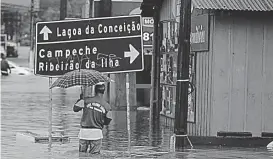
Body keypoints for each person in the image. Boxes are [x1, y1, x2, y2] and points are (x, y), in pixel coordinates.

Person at [73, 84, 111, 154]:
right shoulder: (107, 106)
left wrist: (80, 99)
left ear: (95, 91)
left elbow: (75, 109)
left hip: (84, 133)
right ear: (103, 91)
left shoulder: (86, 100)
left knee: (82, 155)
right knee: (95, 156)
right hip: (96, 133)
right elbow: (107, 122)